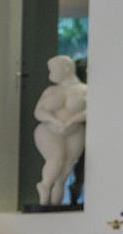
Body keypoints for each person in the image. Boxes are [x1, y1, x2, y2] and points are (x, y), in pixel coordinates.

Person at [32, 54, 86, 207]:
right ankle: (45, 185)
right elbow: (38, 111)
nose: (51, 74)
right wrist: (54, 120)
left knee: (67, 165)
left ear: (66, 68)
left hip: (74, 131)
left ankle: (56, 199)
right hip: (50, 130)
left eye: (53, 70)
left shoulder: (84, 90)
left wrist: (72, 121)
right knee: (56, 157)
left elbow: (89, 110)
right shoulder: (51, 90)